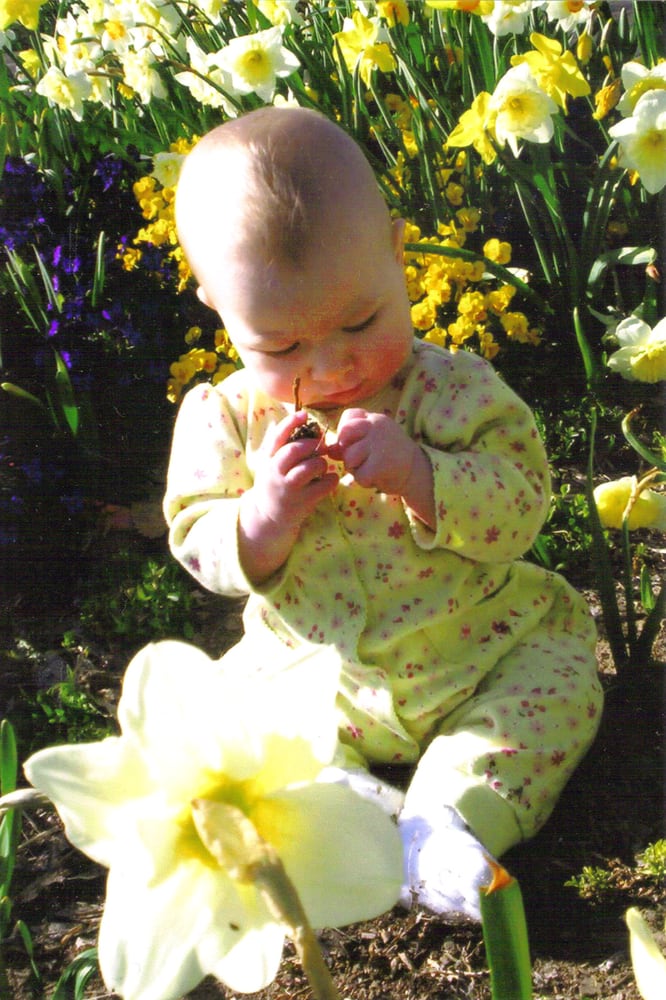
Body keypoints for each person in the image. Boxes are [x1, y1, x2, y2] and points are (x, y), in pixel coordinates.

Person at [164, 106, 603, 921]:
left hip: (481, 653)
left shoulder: (456, 391)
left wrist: (423, 474)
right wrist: (261, 518)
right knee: (224, 719)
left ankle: (446, 822)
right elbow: (197, 538)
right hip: (312, 682)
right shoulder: (225, 419)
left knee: (560, 681)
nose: (330, 364)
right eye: (281, 347)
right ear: (216, 306)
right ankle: (349, 811)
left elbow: (522, 507)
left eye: (361, 321)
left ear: (398, 256)